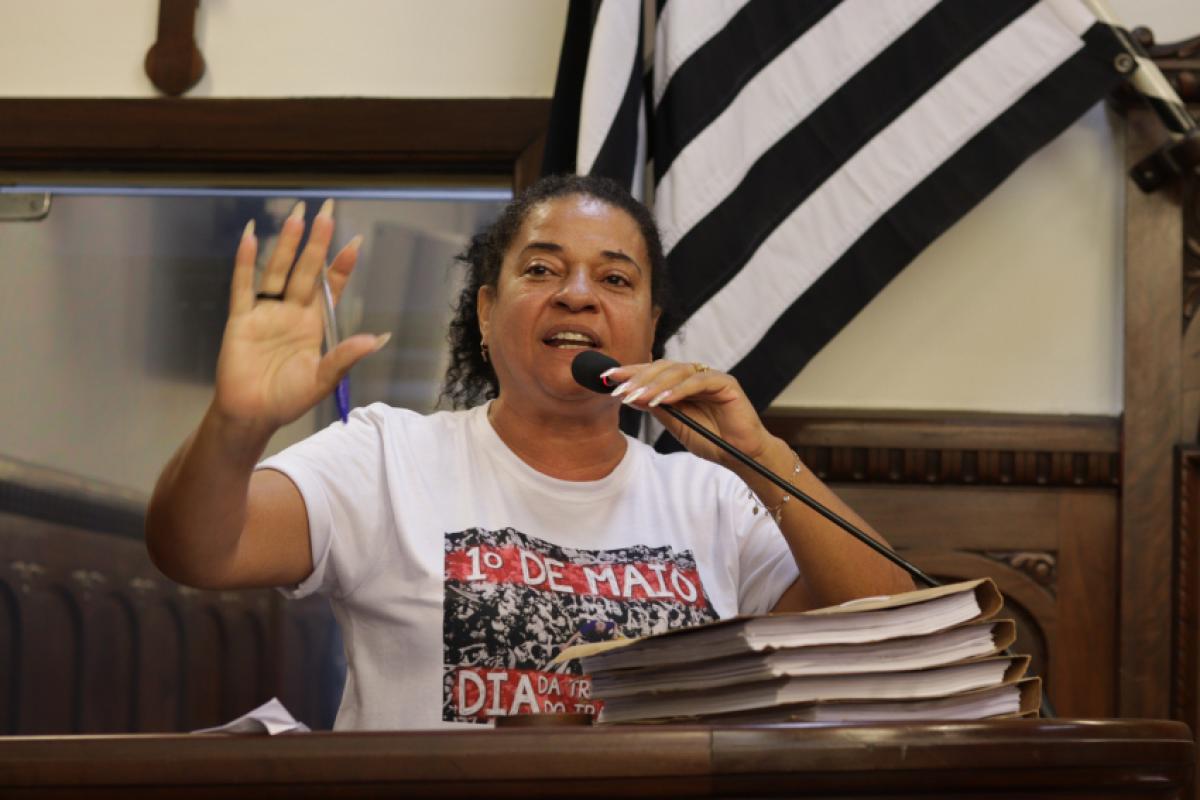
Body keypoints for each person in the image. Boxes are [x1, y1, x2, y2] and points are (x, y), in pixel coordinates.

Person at [146, 175, 913, 730]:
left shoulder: (713, 500)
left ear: (650, 327)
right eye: (542, 269)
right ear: (486, 312)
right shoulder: (387, 456)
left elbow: (891, 634)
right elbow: (197, 551)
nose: (577, 293)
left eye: (615, 278)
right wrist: (236, 426)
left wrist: (760, 456)